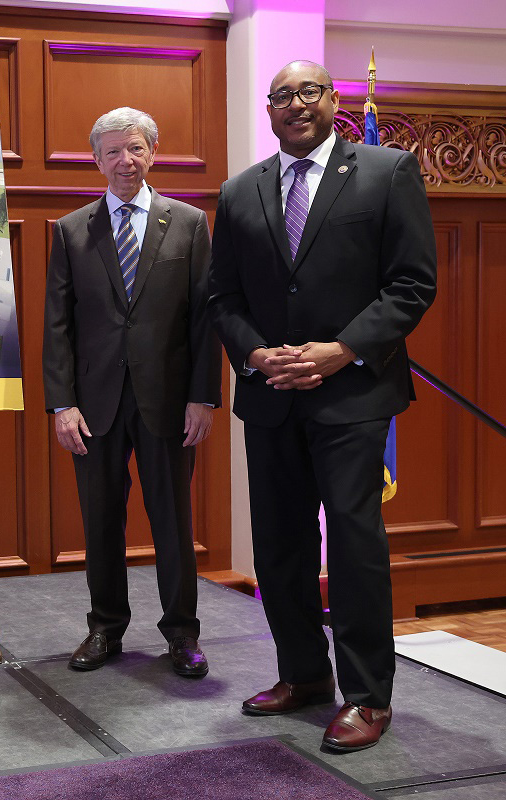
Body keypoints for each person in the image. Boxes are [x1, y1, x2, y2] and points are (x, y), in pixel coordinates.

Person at [208, 61, 436, 752]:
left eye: (309, 92)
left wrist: (341, 349)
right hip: (272, 396)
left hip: (354, 395)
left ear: (334, 101)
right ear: (270, 111)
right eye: (282, 96)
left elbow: (411, 284)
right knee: (279, 549)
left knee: (355, 547)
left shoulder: (387, 171)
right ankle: (303, 676)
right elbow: (224, 298)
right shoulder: (239, 190)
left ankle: (368, 697)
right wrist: (255, 354)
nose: (295, 104)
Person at [43, 107, 220, 677]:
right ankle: (104, 628)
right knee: (100, 521)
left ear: (154, 152)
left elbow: (203, 321)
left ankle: (183, 635)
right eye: (113, 151)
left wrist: (204, 397)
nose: (126, 161)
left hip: (169, 402)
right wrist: (62, 404)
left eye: (136, 148)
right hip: (94, 406)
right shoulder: (72, 231)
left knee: (173, 521)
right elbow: (58, 325)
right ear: (97, 160)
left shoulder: (189, 224)